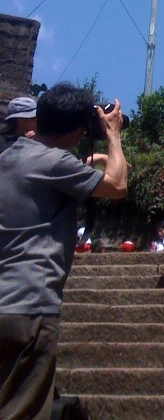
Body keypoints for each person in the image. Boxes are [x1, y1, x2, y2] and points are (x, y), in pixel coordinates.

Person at [0, 82, 127, 419]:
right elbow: (117, 185)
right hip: (29, 306)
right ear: (75, 133)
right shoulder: (55, 163)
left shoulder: (8, 158)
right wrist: (113, 135)